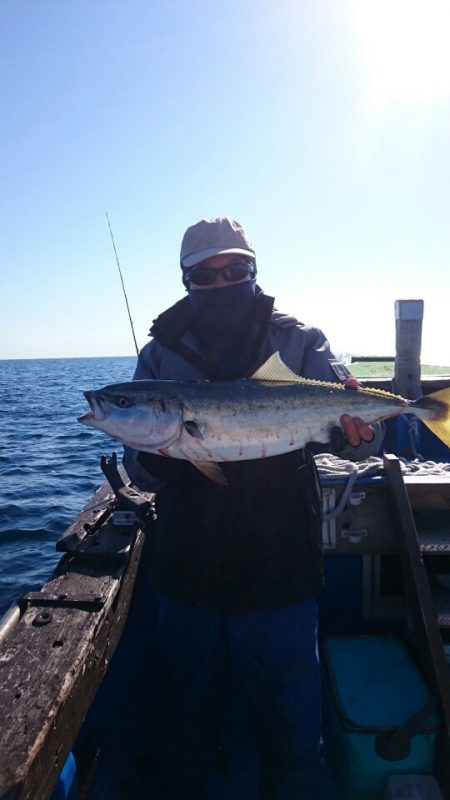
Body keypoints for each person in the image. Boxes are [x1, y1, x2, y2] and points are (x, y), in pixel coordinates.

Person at [123, 217, 382, 800]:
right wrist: (161, 457)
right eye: (205, 274)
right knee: (185, 714)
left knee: (292, 724)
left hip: (280, 563)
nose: (221, 282)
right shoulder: (160, 354)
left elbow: (367, 436)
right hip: (187, 566)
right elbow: (139, 469)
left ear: (254, 270)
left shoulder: (300, 341)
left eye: (234, 269)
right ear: (186, 280)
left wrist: (356, 434)